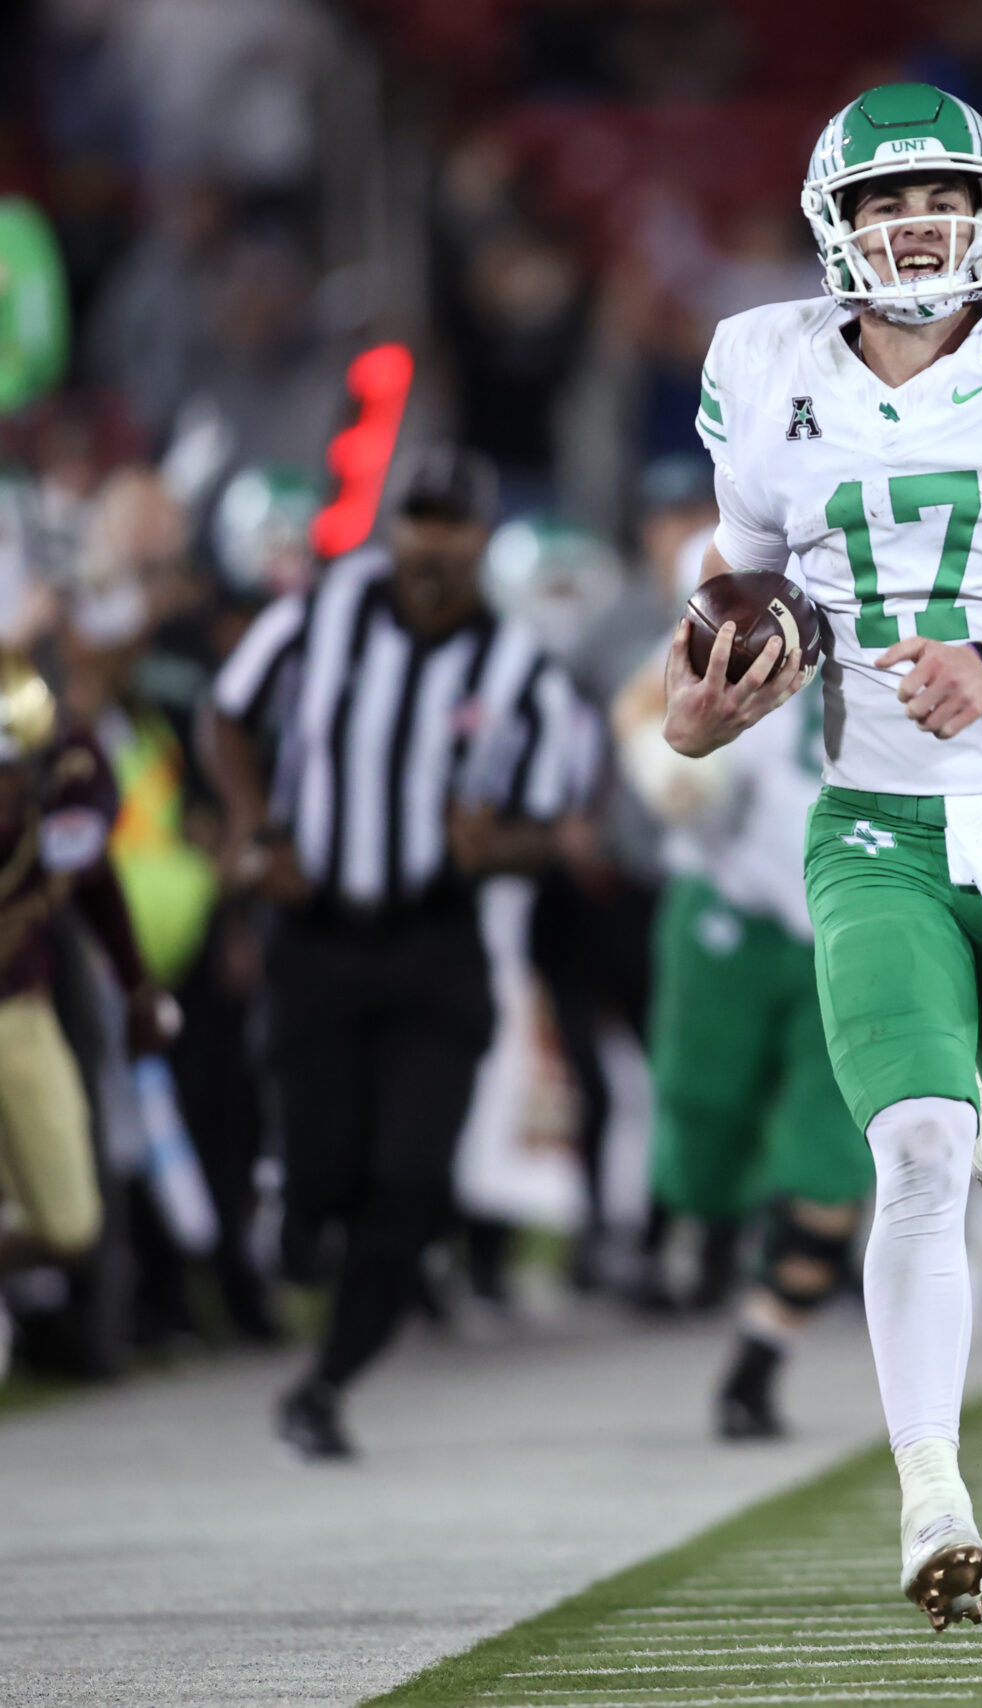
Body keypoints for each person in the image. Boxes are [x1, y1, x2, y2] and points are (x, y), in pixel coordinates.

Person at [658, 84, 982, 1628]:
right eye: (884, 203)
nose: (915, 222)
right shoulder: (765, 362)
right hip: (872, 829)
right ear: (837, 225)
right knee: (915, 1154)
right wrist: (699, 699)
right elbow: (736, 590)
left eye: (939, 195)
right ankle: (932, 1493)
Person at [198, 448, 586, 1460]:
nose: (433, 543)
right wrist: (253, 828)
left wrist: (493, 846)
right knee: (325, 1175)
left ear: (482, 539)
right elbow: (225, 717)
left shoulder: (517, 661)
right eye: (418, 520)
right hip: (317, 931)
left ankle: (325, 1385)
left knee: (410, 1183)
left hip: (433, 940)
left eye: (453, 525)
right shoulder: (318, 614)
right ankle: (295, 1217)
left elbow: (548, 822)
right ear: (395, 528)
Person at [616, 523, 873, 1440]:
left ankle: (758, 1362)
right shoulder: (743, 544)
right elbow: (643, 695)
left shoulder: (929, 562)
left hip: (859, 914)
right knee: (699, 1138)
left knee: (833, 1158)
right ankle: (717, 1227)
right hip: (731, 898)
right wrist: (661, 759)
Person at [0, 657, 173, 1280]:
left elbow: (94, 879)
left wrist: (137, 985)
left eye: (10, 773)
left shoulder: (69, 776)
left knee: (71, 1224)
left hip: (18, 1007)